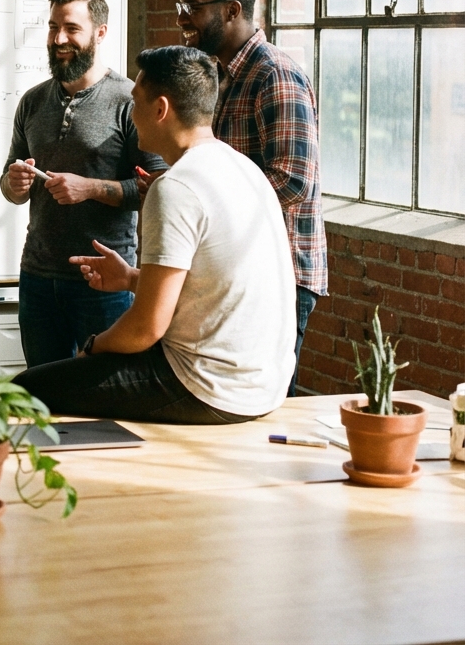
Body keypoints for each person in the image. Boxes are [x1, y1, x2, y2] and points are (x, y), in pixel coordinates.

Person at [15, 46, 296, 422]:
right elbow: (209, 284)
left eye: (135, 102)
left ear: (160, 109)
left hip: (204, 387)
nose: (132, 114)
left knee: (24, 391)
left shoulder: (176, 185)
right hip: (264, 385)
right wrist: (131, 278)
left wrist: (92, 348)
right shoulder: (240, 167)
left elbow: (145, 329)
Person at [174, 0, 325, 394]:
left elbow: (294, 183)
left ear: (231, 10)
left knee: (263, 400)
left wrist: (212, 206)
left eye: (193, 6)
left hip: (281, 273)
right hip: (238, 269)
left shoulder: (273, 74)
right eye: (180, 5)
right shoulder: (220, 75)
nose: (183, 17)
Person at [0, 0, 166, 367]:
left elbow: (157, 190)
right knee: (43, 396)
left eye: (72, 29)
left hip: (104, 279)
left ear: (100, 33)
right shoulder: (33, 101)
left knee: (106, 396)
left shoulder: (129, 100)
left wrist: (89, 188)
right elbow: (11, 188)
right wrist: (15, 183)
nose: (59, 39)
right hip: (38, 276)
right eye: (53, 27)